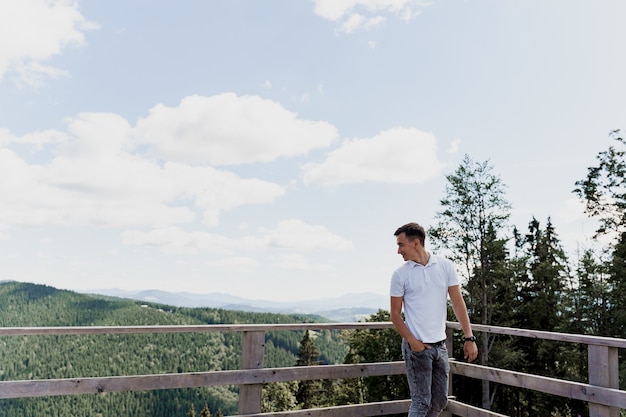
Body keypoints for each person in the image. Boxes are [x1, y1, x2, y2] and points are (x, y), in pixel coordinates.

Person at [390, 222, 478, 417]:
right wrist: (413, 342)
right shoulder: (400, 275)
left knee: (439, 401)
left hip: (440, 347)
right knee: (421, 403)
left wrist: (469, 337)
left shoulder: (444, 266)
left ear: (416, 243)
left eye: (401, 244)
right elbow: (395, 315)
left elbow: (457, 302)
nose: (398, 251)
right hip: (417, 349)